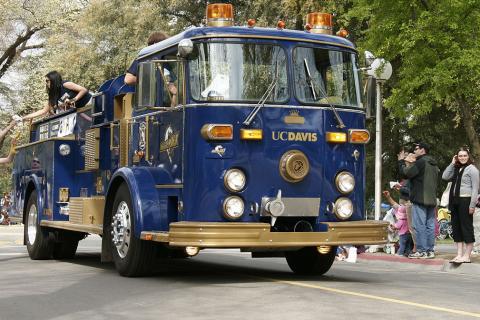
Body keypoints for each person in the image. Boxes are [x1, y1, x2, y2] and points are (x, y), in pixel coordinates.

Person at [398, 142, 439, 259]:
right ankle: (430, 250)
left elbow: (406, 174)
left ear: (422, 150)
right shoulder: (434, 164)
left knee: (419, 225)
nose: (414, 151)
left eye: (416, 149)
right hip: (432, 199)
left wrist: (401, 161)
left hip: (420, 199)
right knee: (430, 226)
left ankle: (421, 250)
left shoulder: (421, 162)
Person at [442, 147, 479, 263]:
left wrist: (472, 205)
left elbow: (475, 189)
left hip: (466, 201)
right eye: (460, 156)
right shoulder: (456, 168)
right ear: (457, 157)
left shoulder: (472, 169)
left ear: (468, 157)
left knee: (466, 228)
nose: (462, 158)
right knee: (456, 228)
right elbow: (445, 176)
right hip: (455, 201)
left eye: (465, 156)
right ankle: (459, 255)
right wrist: (452, 163)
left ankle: (467, 256)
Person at [21, 71, 92, 121]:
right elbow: (43, 111)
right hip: (83, 112)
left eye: (47, 81)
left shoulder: (65, 84)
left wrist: (73, 100)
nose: (46, 83)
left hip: (91, 104)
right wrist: (23, 118)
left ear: (53, 79)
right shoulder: (53, 96)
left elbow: (83, 90)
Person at [383, 190, 413, 256]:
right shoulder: (409, 216)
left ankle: (400, 253)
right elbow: (395, 204)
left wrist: (392, 226)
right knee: (408, 245)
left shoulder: (401, 218)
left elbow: (397, 226)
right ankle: (408, 253)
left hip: (403, 234)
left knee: (402, 245)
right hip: (409, 234)